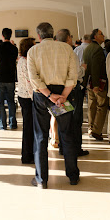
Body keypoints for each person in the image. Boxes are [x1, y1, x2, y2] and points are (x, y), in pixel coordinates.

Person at [26, 22, 80, 188]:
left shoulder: (33, 51)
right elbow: (73, 75)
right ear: (53, 34)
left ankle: (42, 179)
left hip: (43, 96)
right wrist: (62, 96)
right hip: (63, 96)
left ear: (39, 36)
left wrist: (49, 95)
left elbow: (33, 78)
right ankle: (72, 176)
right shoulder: (66, 49)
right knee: (66, 133)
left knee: (40, 136)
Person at [56, 29, 88, 157]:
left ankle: (62, 146)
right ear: (68, 38)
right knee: (75, 120)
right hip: (72, 91)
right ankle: (75, 148)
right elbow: (76, 73)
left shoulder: (54, 52)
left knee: (61, 118)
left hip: (57, 91)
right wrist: (83, 68)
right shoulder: (70, 52)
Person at [82, 28, 109, 141]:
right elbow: (96, 68)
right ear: (95, 37)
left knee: (92, 105)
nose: (103, 35)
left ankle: (90, 128)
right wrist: (97, 85)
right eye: (101, 34)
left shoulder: (88, 48)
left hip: (89, 81)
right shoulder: (97, 49)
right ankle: (97, 131)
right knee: (101, 106)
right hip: (97, 82)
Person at [0, 27, 19, 130]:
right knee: (11, 101)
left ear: (2, 35)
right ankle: (13, 124)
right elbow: (16, 59)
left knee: (0, 102)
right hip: (10, 78)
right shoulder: (14, 48)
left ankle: (2, 125)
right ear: (10, 35)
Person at [16, 37, 36, 163]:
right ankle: (27, 155)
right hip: (28, 97)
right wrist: (35, 98)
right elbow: (29, 82)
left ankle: (28, 153)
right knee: (29, 127)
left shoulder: (22, 60)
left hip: (24, 96)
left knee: (29, 127)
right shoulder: (25, 61)